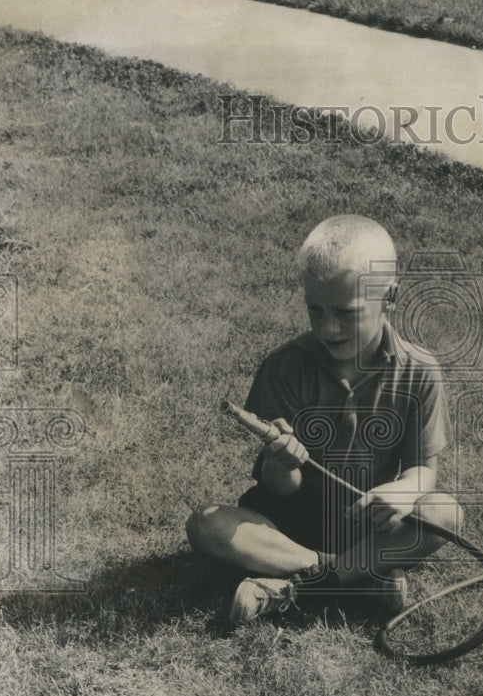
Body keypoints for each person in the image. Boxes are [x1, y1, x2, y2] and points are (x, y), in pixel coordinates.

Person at [186, 214, 462, 625]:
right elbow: (280, 489)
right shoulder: (284, 367)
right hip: (284, 528)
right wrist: (282, 465)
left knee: (445, 515)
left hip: (367, 527)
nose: (327, 328)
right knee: (206, 525)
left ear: (390, 296)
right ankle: (354, 580)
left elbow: (424, 469)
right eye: (315, 310)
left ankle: (294, 582)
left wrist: (404, 493)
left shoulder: (419, 371)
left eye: (346, 313)